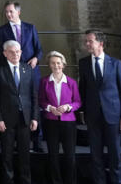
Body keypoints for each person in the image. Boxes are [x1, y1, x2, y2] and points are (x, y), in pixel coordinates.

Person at [78, 30, 121, 184]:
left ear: (100, 43)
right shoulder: (84, 63)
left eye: (90, 41)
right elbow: (83, 89)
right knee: (96, 155)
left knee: (115, 154)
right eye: (86, 41)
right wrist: (82, 112)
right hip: (93, 116)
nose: (87, 44)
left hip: (113, 115)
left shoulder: (115, 63)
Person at [0, 39, 39, 184]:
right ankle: (8, 180)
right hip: (6, 119)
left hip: (25, 118)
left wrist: (35, 118)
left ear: (21, 52)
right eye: (11, 52)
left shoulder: (27, 69)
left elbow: (34, 95)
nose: (15, 54)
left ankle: (25, 180)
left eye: (18, 51)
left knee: (25, 154)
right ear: (5, 53)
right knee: (7, 154)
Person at [0, 1, 44, 152]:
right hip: (12, 74)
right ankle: (19, 142)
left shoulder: (30, 28)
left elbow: (39, 50)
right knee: (16, 105)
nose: (8, 14)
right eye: (6, 12)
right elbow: (0, 53)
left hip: (30, 72)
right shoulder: (2, 30)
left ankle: (37, 141)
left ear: (18, 12)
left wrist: (36, 59)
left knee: (34, 103)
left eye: (11, 11)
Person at [40, 51, 81, 184]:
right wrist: (50, 108)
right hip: (51, 122)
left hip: (69, 123)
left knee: (70, 155)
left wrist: (68, 107)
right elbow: (41, 100)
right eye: (53, 63)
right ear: (49, 65)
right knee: (53, 155)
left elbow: (78, 102)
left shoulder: (71, 82)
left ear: (63, 65)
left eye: (58, 63)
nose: (56, 65)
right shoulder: (44, 82)